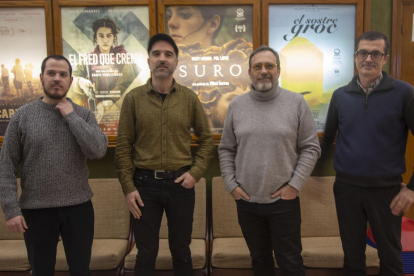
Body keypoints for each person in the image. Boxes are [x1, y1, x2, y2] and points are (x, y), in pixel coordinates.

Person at [115, 33, 214, 276]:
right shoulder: (133, 99)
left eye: (168, 54)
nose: (162, 59)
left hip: (181, 185)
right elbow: (123, 146)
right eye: (156, 54)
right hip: (143, 186)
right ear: (148, 60)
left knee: (181, 250)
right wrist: (128, 188)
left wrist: (195, 173)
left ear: (176, 62)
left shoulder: (189, 99)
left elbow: (207, 140)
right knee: (146, 252)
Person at [0, 55, 108, 275]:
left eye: (63, 74)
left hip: (78, 208)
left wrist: (71, 116)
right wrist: (11, 210)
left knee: (80, 270)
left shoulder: (84, 115)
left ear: (70, 81)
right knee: (41, 271)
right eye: (51, 73)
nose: (57, 78)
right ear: (41, 78)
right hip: (36, 211)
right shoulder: (22, 116)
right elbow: (6, 166)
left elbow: (97, 150)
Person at [218, 45, 321, 276]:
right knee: (260, 261)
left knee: (291, 263)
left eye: (269, 66)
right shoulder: (236, 105)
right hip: (247, 201)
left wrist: (294, 186)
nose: (264, 71)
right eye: (258, 66)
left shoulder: (296, 103)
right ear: (250, 73)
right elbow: (226, 149)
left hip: (284, 202)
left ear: (279, 70)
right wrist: (232, 186)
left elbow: (311, 148)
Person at [319, 30, 414, 275]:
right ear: (354, 57)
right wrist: (306, 178)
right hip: (346, 190)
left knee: (390, 258)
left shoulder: (404, 93)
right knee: (352, 259)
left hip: (386, 191)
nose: (368, 59)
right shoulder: (340, 95)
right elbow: (327, 139)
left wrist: (412, 188)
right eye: (363, 53)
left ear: (385, 58)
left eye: (376, 54)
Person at [69, 17, 139, 116]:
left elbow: (129, 83)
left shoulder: (123, 56)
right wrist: (81, 83)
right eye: (101, 36)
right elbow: (72, 79)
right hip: (93, 110)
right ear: (96, 37)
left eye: (109, 36)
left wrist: (109, 102)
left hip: (118, 109)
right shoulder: (88, 59)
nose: (105, 40)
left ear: (114, 37)